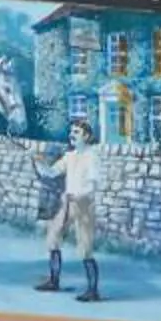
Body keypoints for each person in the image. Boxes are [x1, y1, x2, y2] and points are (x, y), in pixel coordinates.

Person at [34, 118, 103, 302]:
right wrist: (39, 162)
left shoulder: (92, 156)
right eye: (71, 132)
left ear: (87, 136)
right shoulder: (70, 156)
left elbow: (95, 183)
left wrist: (83, 197)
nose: (72, 135)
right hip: (68, 202)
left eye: (77, 132)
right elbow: (51, 173)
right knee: (53, 238)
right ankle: (54, 281)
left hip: (84, 203)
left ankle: (92, 291)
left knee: (85, 247)